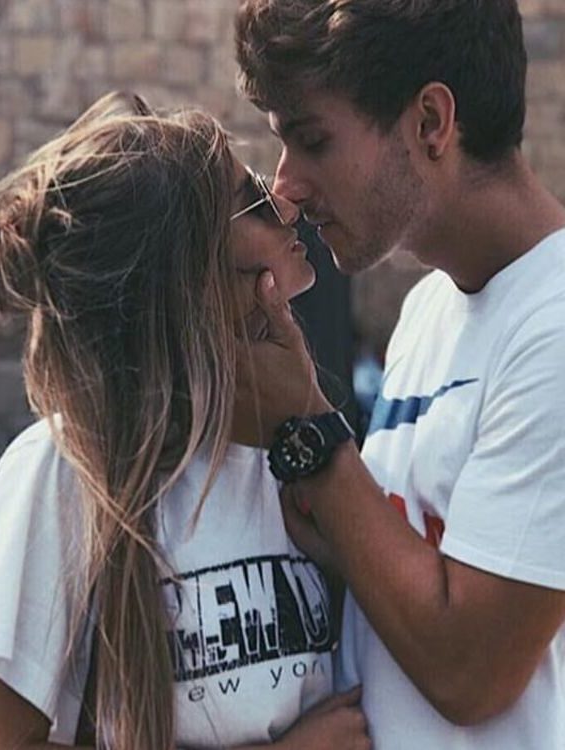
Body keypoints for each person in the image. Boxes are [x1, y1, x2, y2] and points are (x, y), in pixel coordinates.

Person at [0, 91, 370, 750]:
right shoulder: (66, 471)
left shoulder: (290, 456)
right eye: (254, 198)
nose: (286, 201)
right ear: (188, 270)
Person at [234, 1, 565, 748]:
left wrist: (311, 433)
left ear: (431, 123)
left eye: (313, 140)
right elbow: (409, 571)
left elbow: (471, 673)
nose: (286, 185)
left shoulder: (554, 327)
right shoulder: (425, 311)